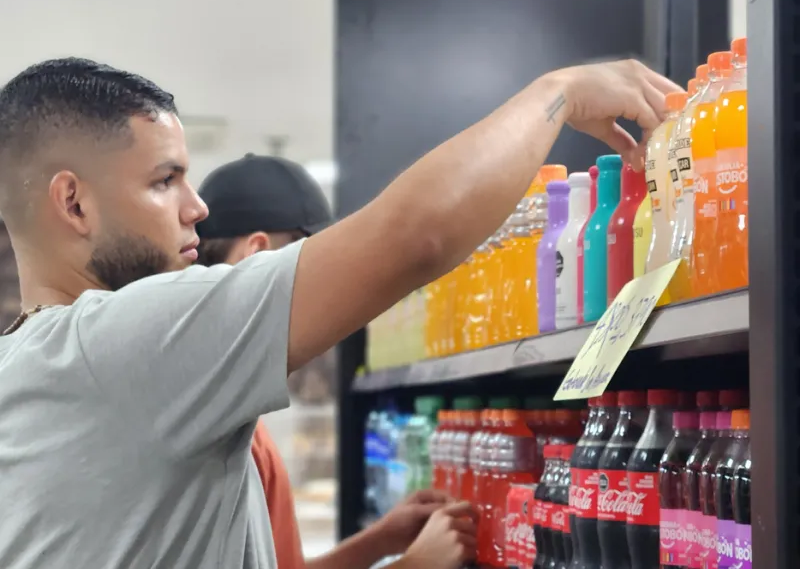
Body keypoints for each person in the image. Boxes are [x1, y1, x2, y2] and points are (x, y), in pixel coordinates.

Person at [0, 56, 678, 569]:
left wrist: (378, 545)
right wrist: (561, 93)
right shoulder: (121, 342)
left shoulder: (32, 365)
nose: (197, 209)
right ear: (74, 204)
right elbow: (418, 234)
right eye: (163, 180)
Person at [196, 153, 453, 569]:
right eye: (317, 263)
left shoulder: (233, 407)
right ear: (258, 257)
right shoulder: (219, 430)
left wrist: (378, 541)